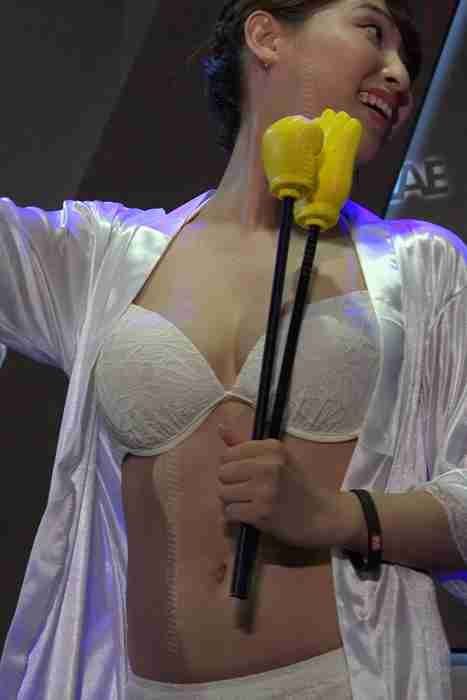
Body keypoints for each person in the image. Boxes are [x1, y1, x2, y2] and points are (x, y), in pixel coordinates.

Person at [1, 0, 467, 698]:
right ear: (266, 34)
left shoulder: (423, 266)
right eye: (373, 32)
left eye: (409, 60)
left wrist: (336, 515)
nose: (398, 74)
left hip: (334, 682)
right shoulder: (101, 256)